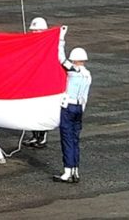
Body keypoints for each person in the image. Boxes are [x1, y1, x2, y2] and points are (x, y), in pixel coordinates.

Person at [54, 27, 91, 184]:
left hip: (68, 108)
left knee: (67, 138)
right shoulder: (88, 74)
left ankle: (67, 171)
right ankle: (75, 170)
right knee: (75, 139)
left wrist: (61, 38)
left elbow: (60, 58)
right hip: (79, 109)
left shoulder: (73, 70)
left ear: (74, 59)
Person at [24, 16, 53, 148]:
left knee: (42, 111)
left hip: (44, 84)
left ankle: (42, 137)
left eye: (37, 30)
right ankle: (34, 136)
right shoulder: (30, 44)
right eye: (33, 30)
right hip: (32, 82)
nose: (34, 33)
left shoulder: (50, 45)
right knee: (31, 111)